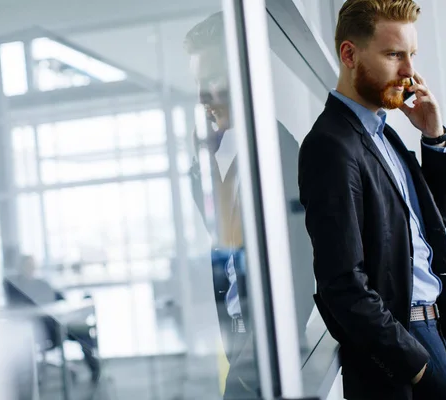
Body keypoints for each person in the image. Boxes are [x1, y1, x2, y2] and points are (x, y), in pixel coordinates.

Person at [298, 1, 446, 399]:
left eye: (411, 56)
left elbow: (434, 221)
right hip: (400, 343)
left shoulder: (383, 133)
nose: (409, 72)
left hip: (427, 329)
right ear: (349, 55)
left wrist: (433, 137)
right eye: (394, 55)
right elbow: (342, 285)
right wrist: (417, 365)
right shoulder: (331, 145)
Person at [184, 12, 303, 399]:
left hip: (268, 354)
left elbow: (299, 272)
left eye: (209, 81)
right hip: (239, 346)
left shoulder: (278, 154)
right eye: (197, 84)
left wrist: (247, 373)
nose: (201, 97)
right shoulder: (220, 158)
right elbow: (223, 241)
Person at [4, 255, 101, 384]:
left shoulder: (41, 284)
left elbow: (61, 299)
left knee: (83, 333)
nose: (31, 269)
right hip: (39, 331)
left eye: (33, 266)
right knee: (74, 331)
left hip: (56, 326)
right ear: (21, 268)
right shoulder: (14, 288)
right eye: (27, 266)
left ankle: (95, 370)